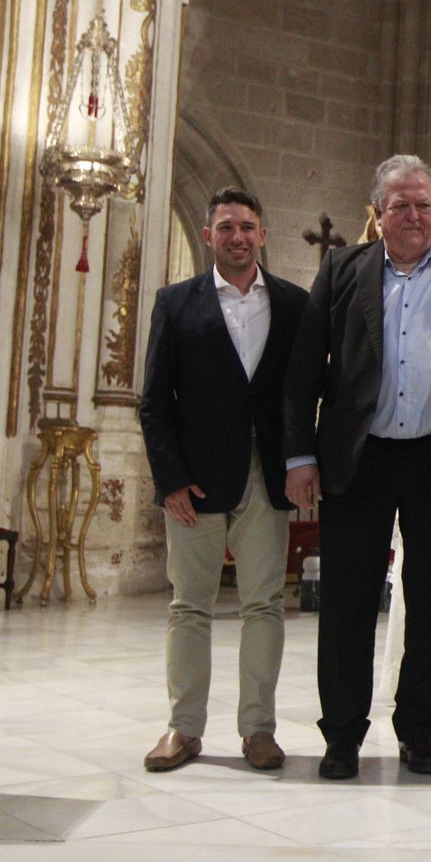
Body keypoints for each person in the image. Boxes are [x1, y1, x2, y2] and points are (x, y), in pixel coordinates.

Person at [284, 155, 431, 780]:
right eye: (399, 204)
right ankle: (343, 734)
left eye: (423, 205)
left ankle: (419, 731)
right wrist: (301, 455)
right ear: (377, 214)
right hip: (360, 456)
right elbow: (303, 372)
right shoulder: (341, 270)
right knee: (347, 600)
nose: (412, 215)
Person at [139, 187, 308, 773]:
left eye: (248, 227)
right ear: (209, 236)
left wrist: (300, 463)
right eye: (226, 227)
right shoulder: (176, 303)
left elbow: (302, 395)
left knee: (265, 604)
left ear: (263, 235)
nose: (238, 236)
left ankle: (258, 729)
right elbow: (155, 402)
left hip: (267, 477)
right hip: (196, 483)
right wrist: (171, 481)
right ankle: (183, 729)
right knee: (190, 605)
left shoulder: (293, 303)